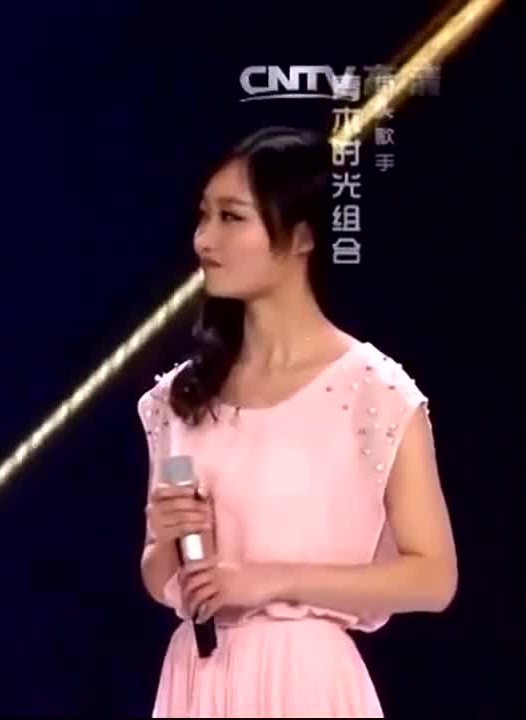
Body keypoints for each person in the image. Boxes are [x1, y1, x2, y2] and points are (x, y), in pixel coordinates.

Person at [136, 126, 457, 717]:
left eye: (231, 218)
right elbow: (161, 575)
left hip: (307, 681)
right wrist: (170, 545)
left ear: (303, 236)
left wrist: (273, 579)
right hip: (197, 679)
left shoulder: (373, 391)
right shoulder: (178, 398)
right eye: (203, 216)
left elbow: (433, 578)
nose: (204, 239)